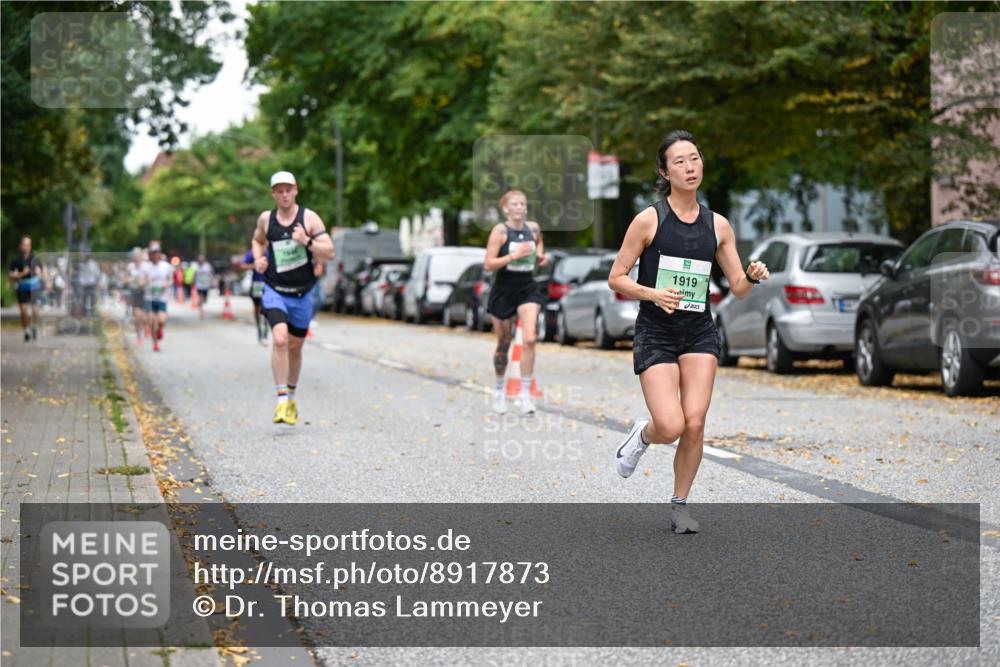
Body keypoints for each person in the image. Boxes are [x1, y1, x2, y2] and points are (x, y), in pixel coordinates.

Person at [608, 130, 770, 534]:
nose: (689, 166)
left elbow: (738, 287)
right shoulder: (649, 219)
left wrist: (753, 276)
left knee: (695, 422)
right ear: (665, 172)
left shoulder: (718, 226)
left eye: (694, 158)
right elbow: (616, 278)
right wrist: (653, 293)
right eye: (679, 161)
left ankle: (680, 506)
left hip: (698, 329)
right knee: (671, 425)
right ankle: (641, 437)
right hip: (656, 330)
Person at [252, 171, 335, 425]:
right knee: (279, 339)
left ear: (296, 190)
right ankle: (281, 401)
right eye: (279, 190)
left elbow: (329, 252)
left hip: (302, 294)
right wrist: (258, 259)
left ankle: (292, 397)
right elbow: (257, 241)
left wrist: (306, 241)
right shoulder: (267, 219)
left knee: (295, 347)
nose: (284, 194)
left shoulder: (308, 218)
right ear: (273, 194)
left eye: (288, 189)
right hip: (275, 290)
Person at [483, 190, 548, 415]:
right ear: (506, 209)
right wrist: (513, 255)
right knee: (504, 342)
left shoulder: (534, 228)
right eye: (515, 204)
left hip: (527, 288)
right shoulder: (500, 232)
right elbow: (488, 264)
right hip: (503, 289)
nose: (520, 207)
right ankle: (500, 391)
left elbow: (539, 244)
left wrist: (540, 256)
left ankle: (524, 394)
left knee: (529, 339)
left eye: (523, 204)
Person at [8, 236, 44, 341]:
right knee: (23, 311)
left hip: (34, 286)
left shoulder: (35, 259)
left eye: (28, 245)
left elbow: (42, 272)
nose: (26, 247)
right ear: (20, 246)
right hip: (22, 286)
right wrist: (21, 274)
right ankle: (26, 331)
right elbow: (10, 275)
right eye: (24, 245)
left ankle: (34, 327)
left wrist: (40, 273)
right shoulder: (16, 260)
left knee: (35, 310)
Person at [142, 241, 173, 352]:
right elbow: (141, 281)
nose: (155, 255)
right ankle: (155, 343)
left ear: (160, 254)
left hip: (161, 298)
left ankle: (160, 329)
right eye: (152, 253)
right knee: (151, 321)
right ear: (150, 254)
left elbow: (171, 280)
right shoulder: (145, 267)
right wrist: (146, 282)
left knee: (162, 320)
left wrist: (166, 284)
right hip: (149, 298)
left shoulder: (166, 266)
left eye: (157, 253)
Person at [239, 248, 268, 343]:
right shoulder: (252, 253)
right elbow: (242, 265)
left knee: (268, 307)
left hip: (268, 283)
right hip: (256, 284)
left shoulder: (270, 251)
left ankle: (265, 332)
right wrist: (254, 265)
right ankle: (259, 330)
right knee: (257, 308)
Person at [126, 247, 149, 345]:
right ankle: (139, 336)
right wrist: (130, 281)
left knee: (143, 317)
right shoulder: (130, 267)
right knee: (135, 316)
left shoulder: (146, 266)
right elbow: (125, 278)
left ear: (141, 256)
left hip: (145, 293)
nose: (136, 257)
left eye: (138, 255)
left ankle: (146, 326)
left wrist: (143, 283)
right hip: (134, 293)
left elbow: (149, 279)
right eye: (134, 255)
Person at [194, 255, 214, 319]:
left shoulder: (207, 266)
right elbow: (194, 274)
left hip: (206, 285)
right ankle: (201, 311)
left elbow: (211, 274)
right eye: (199, 259)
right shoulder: (196, 266)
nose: (200, 260)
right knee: (200, 298)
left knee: (205, 299)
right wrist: (193, 282)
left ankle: (201, 302)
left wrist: (211, 282)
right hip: (199, 285)